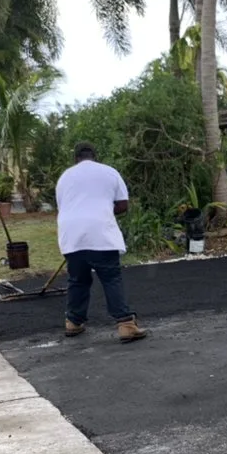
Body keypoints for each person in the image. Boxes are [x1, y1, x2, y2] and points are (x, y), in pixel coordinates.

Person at [55, 141, 148, 342]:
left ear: (76, 158)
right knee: (110, 277)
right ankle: (125, 324)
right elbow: (123, 205)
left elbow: (64, 207)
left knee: (77, 279)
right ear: (94, 156)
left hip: (71, 234)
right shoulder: (109, 172)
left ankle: (73, 322)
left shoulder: (65, 177)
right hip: (101, 234)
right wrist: (104, 210)